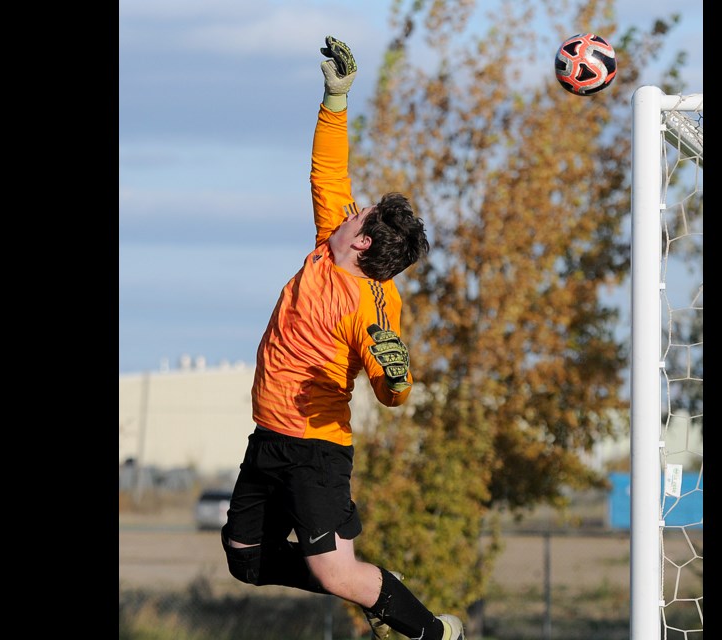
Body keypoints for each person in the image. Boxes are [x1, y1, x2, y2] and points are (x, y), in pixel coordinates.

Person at [220, 36, 466, 640]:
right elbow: (329, 167)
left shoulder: (374, 304)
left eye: (359, 216)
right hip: (270, 435)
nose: (351, 211)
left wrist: (398, 377)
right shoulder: (335, 233)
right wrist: (335, 98)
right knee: (243, 557)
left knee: (333, 575)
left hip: (316, 450)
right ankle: (378, 584)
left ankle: (433, 632)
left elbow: (390, 390)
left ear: (362, 242)